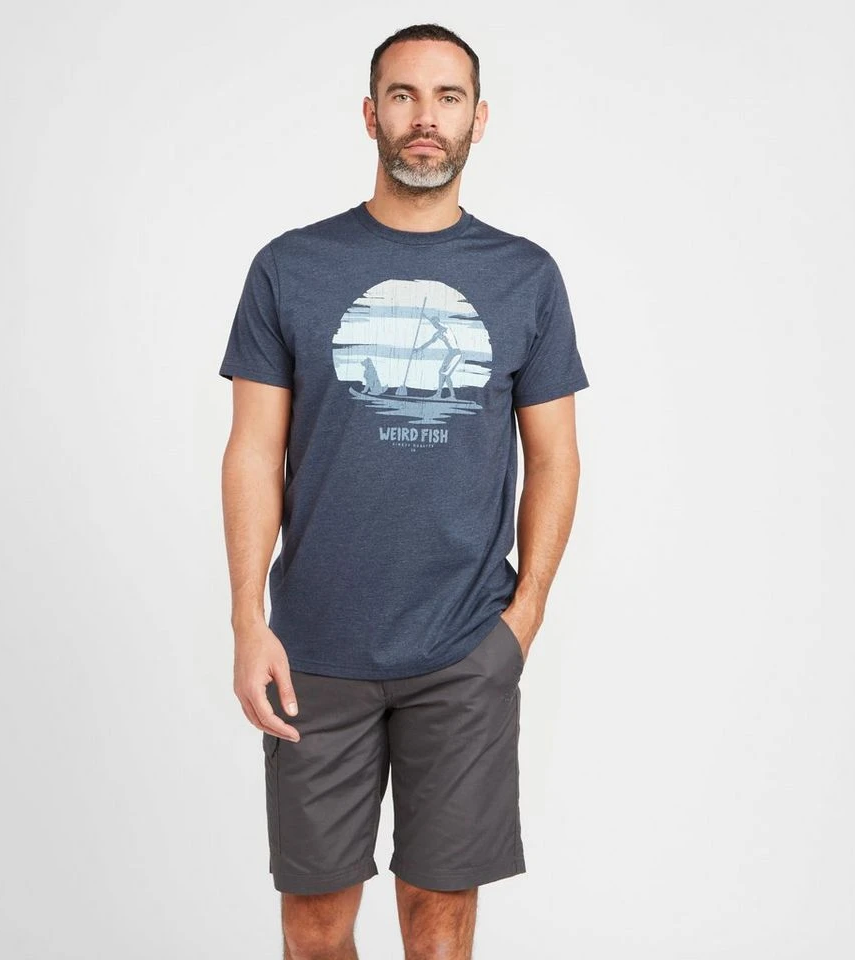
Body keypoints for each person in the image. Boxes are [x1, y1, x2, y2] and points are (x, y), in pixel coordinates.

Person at [219, 22, 589, 959]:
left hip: (464, 650)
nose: (426, 118)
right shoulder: (290, 267)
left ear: (478, 119)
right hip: (315, 652)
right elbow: (253, 450)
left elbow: (555, 457)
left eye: (447, 97)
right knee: (314, 929)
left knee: (439, 926)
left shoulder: (525, 277)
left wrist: (523, 619)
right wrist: (248, 620)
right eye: (404, 95)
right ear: (370, 114)